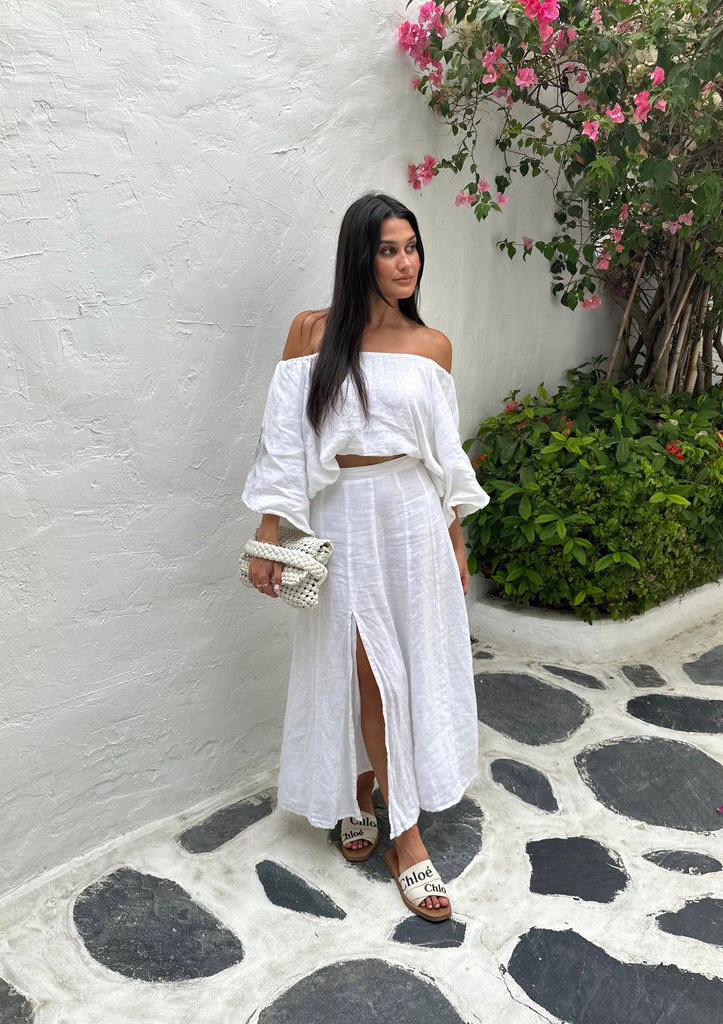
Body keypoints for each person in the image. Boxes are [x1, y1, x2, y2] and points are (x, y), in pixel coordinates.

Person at [242, 193, 489, 922]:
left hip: (413, 519)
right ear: (360, 258)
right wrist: (270, 535)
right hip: (341, 517)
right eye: (388, 249)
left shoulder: (432, 345)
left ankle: (380, 806)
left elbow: (445, 461)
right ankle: (397, 828)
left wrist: (456, 542)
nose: (405, 262)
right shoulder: (311, 334)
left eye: (411, 247)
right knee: (358, 666)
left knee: (403, 667)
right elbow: (284, 441)